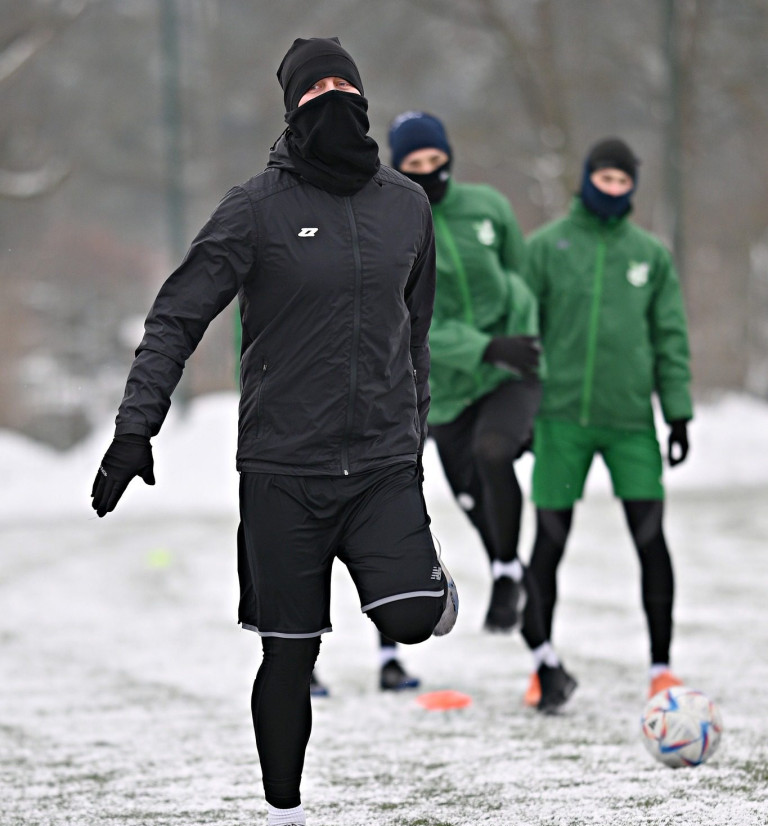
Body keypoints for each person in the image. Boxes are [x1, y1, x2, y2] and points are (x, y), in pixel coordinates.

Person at [91, 37, 458, 826]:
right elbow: (177, 316)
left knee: (408, 617)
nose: (332, 97)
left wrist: (412, 444)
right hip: (282, 470)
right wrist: (134, 427)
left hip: (378, 464)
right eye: (315, 88)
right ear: (292, 107)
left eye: (344, 84)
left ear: (365, 98)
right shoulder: (254, 208)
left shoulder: (407, 206)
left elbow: (418, 337)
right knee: (290, 655)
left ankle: (429, 584)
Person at [520, 137, 693, 712]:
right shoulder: (547, 247)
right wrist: (520, 409)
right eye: (604, 178)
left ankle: (662, 668)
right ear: (587, 179)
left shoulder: (651, 255)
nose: (613, 189)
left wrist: (678, 413)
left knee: (651, 540)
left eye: (623, 182)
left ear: (632, 187)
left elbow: (670, 339)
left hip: (629, 425)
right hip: (561, 420)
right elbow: (522, 331)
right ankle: (541, 666)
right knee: (549, 543)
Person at [388, 111, 542, 633]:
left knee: (493, 450)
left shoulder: (489, 207)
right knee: (473, 497)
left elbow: (520, 279)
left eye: (436, 159)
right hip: (446, 389)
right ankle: (507, 561)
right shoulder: (397, 224)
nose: (429, 170)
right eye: (415, 163)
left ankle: (505, 575)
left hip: (508, 373)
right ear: (398, 166)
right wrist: (483, 347)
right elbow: (412, 318)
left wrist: (517, 341)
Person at [233, 311, 420, 696]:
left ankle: (389, 660)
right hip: (296, 444)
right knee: (305, 566)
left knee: (380, 566)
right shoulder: (273, 265)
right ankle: (303, 663)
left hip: (370, 438)